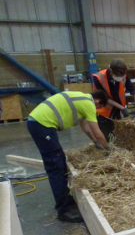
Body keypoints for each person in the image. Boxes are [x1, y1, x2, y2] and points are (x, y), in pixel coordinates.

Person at [27, 90, 111, 223]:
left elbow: (85, 125)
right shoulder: (88, 103)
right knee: (56, 165)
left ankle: (67, 201)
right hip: (41, 124)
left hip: (40, 124)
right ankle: (64, 211)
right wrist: (109, 149)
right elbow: (98, 132)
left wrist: (94, 141)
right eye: (99, 108)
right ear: (97, 101)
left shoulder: (81, 98)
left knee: (60, 161)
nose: (97, 110)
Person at [93, 59, 135, 140]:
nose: (120, 78)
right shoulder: (99, 78)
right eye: (118, 76)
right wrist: (122, 108)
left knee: (118, 136)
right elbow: (105, 98)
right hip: (103, 112)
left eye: (121, 76)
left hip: (116, 111)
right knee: (107, 137)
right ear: (111, 70)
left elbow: (134, 91)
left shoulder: (123, 76)